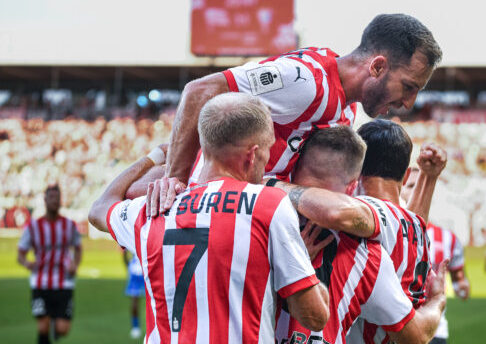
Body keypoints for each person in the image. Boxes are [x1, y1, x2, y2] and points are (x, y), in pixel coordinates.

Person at [89, 93, 330, 344]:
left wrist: (158, 156)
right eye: (265, 153)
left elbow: (100, 208)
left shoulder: (155, 208)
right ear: (252, 154)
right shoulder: (267, 204)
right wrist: (305, 267)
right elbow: (314, 316)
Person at [268, 119, 446, 344]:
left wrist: (268, 184)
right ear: (404, 175)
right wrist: (429, 179)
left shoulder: (372, 218)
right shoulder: (415, 225)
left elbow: (342, 213)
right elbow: (406, 217)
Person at [141, 13, 442, 210]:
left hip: (251, 213)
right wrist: (175, 178)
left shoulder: (346, 109)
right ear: (377, 66)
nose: (408, 104)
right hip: (211, 208)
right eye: (408, 87)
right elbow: (200, 90)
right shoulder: (306, 80)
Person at [400, 168, 471, 344]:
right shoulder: (389, 230)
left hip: (431, 329)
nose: (414, 192)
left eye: (420, 186)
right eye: (409, 186)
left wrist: (462, 287)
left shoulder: (447, 239)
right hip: (392, 328)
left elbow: (460, 278)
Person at [17, 183, 82, 344]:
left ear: (60, 200)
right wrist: (27, 262)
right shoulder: (33, 227)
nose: (54, 200)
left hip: (64, 283)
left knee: (62, 330)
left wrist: (75, 264)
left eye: (57, 197)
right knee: (42, 326)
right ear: (45, 200)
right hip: (40, 283)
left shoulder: (69, 226)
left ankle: (56, 324)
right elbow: (21, 253)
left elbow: (78, 248)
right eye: (51, 197)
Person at [122, 248, 145, 339]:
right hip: (136, 270)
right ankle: (136, 327)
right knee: (134, 302)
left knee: (155, 301)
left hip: (146, 265)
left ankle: (157, 326)